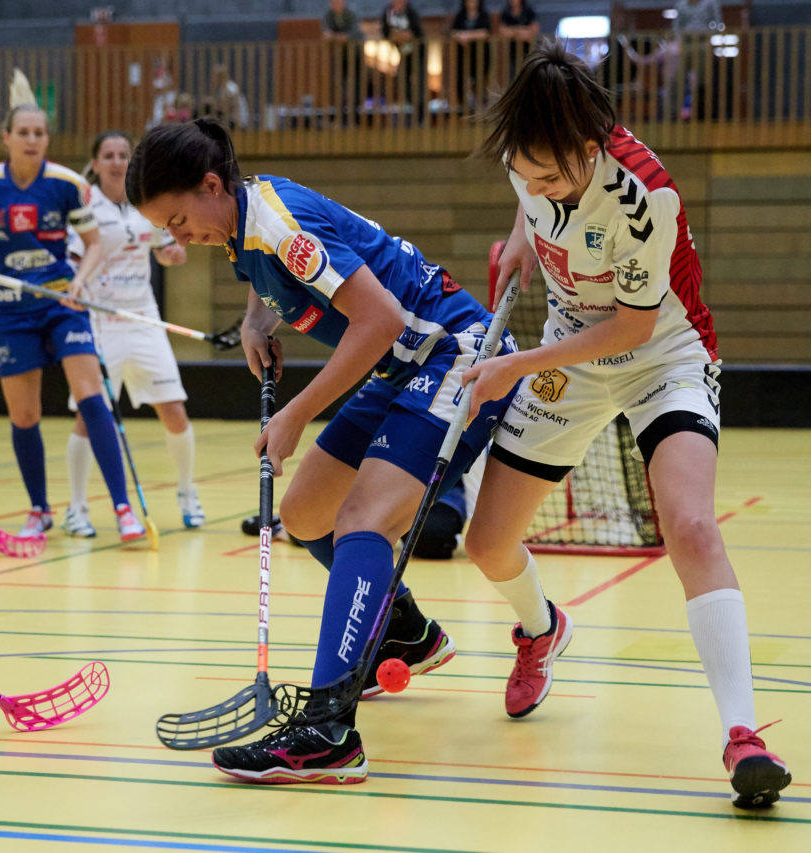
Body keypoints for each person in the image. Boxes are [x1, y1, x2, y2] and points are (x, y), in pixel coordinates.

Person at [126, 116, 518, 783]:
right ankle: (402, 630)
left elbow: (382, 319)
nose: (177, 236)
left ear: (211, 185)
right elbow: (269, 277)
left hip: (455, 356)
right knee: (305, 515)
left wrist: (296, 415)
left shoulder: (278, 225)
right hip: (400, 367)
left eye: (176, 219)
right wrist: (256, 319)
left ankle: (328, 728)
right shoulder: (243, 224)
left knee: (364, 518)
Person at [460, 41, 793, 809]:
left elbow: (632, 329)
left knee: (691, 525)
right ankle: (540, 628)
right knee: (485, 543)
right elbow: (529, 194)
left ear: (588, 148)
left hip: (660, 353)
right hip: (568, 354)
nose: (534, 182)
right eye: (525, 172)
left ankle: (743, 735)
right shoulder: (527, 154)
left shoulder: (647, 197)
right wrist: (520, 234)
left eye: (550, 175)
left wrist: (514, 366)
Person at [0, 79, 147, 544]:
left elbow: (95, 243)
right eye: (23, 132)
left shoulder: (67, 184)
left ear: (47, 138)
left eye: (39, 133)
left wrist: (80, 281)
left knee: (91, 396)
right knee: (24, 414)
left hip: (63, 303)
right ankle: (39, 510)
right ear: (6, 137)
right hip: (11, 310)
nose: (32, 140)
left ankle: (122, 508)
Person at [61, 130, 202, 537]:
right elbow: (72, 259)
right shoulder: (83, 203)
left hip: (143, 317)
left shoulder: (144, 202)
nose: (118, 161)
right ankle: (77, 508)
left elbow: (163, 247)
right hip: (100, 320)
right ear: (96, 162)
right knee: (90, 417)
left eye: (124, 154)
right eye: (109, 155)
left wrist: (171, 254)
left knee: (174, 409)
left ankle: (187, 492)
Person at [379, 0, 426, 123]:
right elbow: (386, 33)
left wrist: (399, 35)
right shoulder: (388, 12)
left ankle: (421, 115)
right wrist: (401, 35)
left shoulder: (411, 12)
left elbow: (415, 34)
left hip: (418, 53)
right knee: (402, 81)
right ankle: (414, 109)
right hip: (404, 54)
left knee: (420, 84)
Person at [322, 0, 364, 125]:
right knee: (338, 86)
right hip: (339, 57)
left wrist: (335, 37)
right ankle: (341, 117)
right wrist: (340, 37)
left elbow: (352, 35)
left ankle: (355, 118)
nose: (336, 4)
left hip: (355, 56)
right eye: (334, 2)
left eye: (339, 2)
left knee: (355, 87)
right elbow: (325, 35)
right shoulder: (328, 16)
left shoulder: (351, 15)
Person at [448, 0, 491, 109]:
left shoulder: (483, 15)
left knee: (480, 82)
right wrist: (459, 36)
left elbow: (485, 33)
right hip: (463, 58)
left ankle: (481, 107)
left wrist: (467, 35)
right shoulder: (460, 16)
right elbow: (452, 32)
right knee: (461, 82)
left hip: (481, 57)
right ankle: (465, 108)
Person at [498, 0, 539, 82]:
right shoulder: (506, 11)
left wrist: (513, 32)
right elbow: (502, 31)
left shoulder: (529, 11)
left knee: (528, 79)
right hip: (511, 54)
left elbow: (533, 31)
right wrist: (521, 31)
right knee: (512, 80)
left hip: (528, 53)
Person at [200, 64, 247, 131]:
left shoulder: (231, 88)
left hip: (236, 123)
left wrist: (212, 102)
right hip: (230, 120)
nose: (212, 79)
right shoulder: (222, 88)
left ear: (220, 77)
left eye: (214, 76)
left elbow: (224, 108)